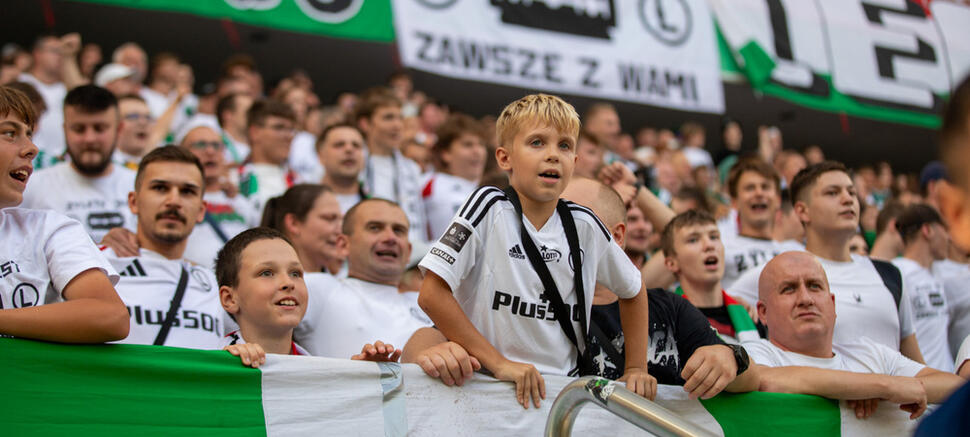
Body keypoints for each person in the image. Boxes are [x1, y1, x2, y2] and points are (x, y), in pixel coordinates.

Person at [417, 94, 652, 409]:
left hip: (562, 396)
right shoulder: (488, 205)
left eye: (565, 146)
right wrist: (499, 363)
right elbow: (431, 294)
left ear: (576, 163)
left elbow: (634, 289)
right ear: (504, 158)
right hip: (486, 388)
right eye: (537, 143)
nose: (553, 155)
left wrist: (636, 368)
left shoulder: (584, 224)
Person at [562, 178, 758, 397]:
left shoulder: (669, 308)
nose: (555, 232)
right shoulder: (536, 306)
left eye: (573, 219)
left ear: (616, 236)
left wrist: (730, 359)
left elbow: (752, 380)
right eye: (552, 221)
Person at [728, 161, 923, 362]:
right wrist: (734, 303)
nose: (847, 199)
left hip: (896, 389)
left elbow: (915, 363)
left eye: (852, 192)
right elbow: (714, 301)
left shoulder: (890, 274)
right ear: (802, 211)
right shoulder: (777, 274)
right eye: (832, 193)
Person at [747, 252, 963, 420]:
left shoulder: (871, 354)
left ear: (832, 304)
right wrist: (880, 387)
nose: (806, 299)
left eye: (814, 286)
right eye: (789, 289)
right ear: (763, 312)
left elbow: (955, 386)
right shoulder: (755, 352)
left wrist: (876, 388)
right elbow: (766, 380)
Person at [0, 85, 128, 343]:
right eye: (10, 133)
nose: (31, 148)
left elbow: (110, 316)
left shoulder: (47, 228)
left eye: (29, 135)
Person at [214, 227, 403, 366]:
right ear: (230, 299)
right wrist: (225, 365)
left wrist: (361, 379)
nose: (288, 283)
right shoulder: (213, 364)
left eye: (295, 273)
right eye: (267, 273)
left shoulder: (316, 371)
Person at [103, 146, 225, 349]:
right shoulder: (96, 267)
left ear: (201, 210)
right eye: (160, 188)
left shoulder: (216, 285)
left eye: (187, 191)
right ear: (133, 202)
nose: (174, 201)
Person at [294, 198, 431, 359]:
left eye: (398, 230)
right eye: (375, 228)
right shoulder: (319, 289)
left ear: (408, 252)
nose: (390, 238)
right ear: (343, 245)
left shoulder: (427, 305)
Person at [21, 84, 137, 243]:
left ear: (119, 129)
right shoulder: (32, 188)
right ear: (64, 130)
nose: (89, 139)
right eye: (79, 129)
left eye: (99, 128)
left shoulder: (139, 185)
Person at [662, 210, 766, 343]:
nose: (709, 245)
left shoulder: (751, 318)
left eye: (714, 237)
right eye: (693, 240)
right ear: (671, 263)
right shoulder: (667, 320)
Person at [355, 87, 427, 244]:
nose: (397, 125)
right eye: (388, 118)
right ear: (365, 123)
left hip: (410, 254)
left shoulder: (412, 168)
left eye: (399, 118)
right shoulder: (354, 165)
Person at [721, 158, 803, 288]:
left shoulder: (797, 252)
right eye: (750, 188)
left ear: (778, 200)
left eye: (765, 187)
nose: (759, 193)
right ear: (734, 202)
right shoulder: (721, 248)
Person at [891, 204, 954, 371]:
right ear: (928, 230)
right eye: (944, 230)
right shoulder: (897, 272)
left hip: (944, 385)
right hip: (919, 385)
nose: (949, 238)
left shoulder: (936, 272)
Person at [422, 113, 488, 240]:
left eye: (481, 144)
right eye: (467, 144)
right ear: (445, 153)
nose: (477, 151)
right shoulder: (428, 183)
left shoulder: (486, 192)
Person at [261, 184, 344, 275]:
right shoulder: (272, 286)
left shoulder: (340, 280)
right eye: (329, 218)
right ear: (294, 223)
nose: (340, 231)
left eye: (342, 220)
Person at [237, 98, 299, 215]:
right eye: (279, 127)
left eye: (291, 129)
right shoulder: (233, 179)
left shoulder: (300, 182)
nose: (288, 136)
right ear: (255, 132)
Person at [18, 35, 67, 155]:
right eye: (55, 51)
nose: (60, 56)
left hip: (61, 158)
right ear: (37, 54)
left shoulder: (66, 87)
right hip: (29, 157)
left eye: (62, 52)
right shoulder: (21, 82)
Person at [316, 123, 366, 213]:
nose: (349, 149)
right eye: (339, 145)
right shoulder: (302, 203)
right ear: (321, 155)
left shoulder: (376, 205)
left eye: (356, 145)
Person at [216, 92, 253, 164]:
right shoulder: (215, 143)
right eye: (248, 112)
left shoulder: (257, 143)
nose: (253, 117)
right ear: (228, 115)